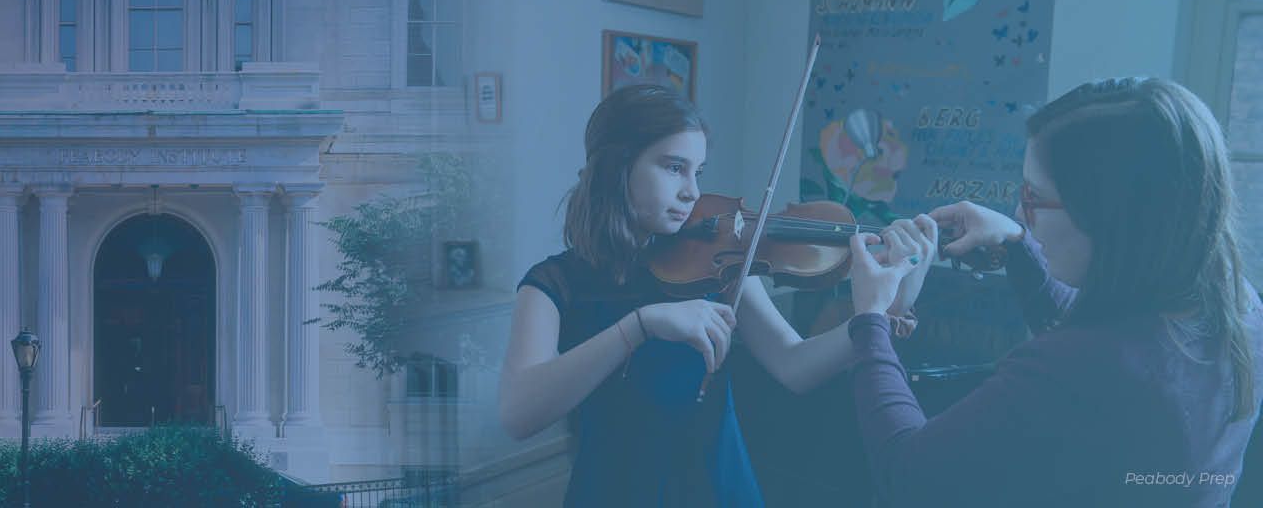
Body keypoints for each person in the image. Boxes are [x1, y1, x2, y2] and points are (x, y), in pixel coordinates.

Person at [497, 84, 934, 506]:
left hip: (716, 488)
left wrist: (880, 312)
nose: (692, 191)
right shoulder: (553, 285)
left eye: (697, 172)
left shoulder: (719, 265)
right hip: (615, 490)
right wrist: (641, 325)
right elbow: (519, 414)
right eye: (673, 167)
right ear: (617, 167)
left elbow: (795, 365)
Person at [845, 77, 1263, 507]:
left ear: (1106, 217)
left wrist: (871, 318)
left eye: (1034, 197)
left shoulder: (1081, 366)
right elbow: (1117, 346)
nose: (1018, 212)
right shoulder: (1239, 304)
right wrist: (1019, 245)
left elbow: (907, 475)